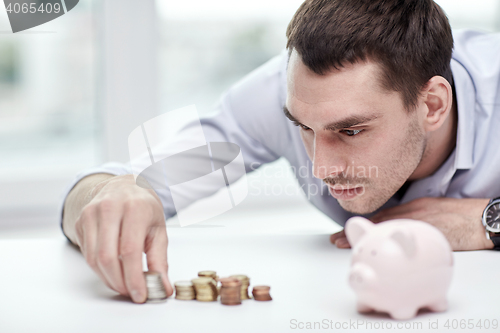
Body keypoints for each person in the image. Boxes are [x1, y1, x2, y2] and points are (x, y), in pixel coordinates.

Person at [61, 0, 500, 303]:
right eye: (304, 129)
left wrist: (490, 219)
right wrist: (112, 196)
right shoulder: (286, 95)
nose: (320, 168)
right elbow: (112, 186)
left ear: (433, 105)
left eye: (350, 131)